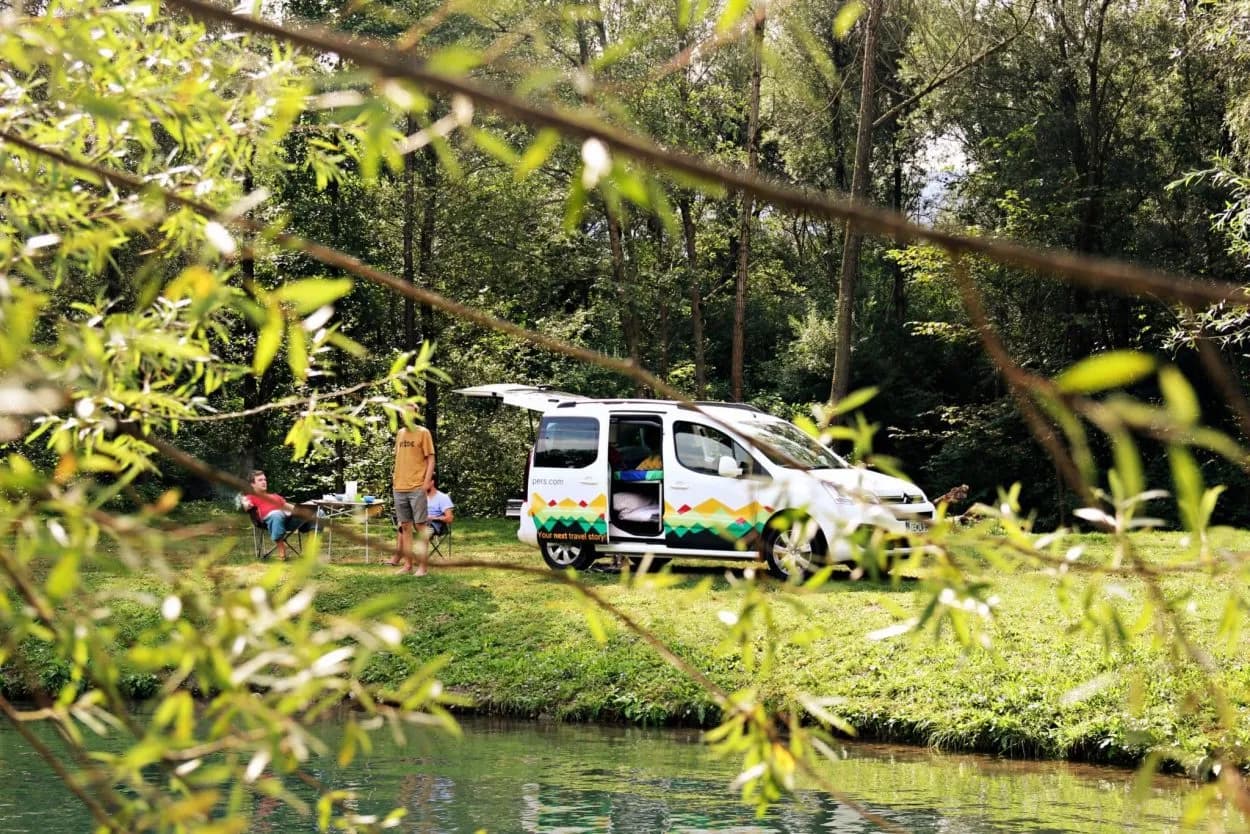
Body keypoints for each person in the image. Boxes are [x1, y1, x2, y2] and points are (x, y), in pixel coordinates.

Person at [392, 407, 435, 576]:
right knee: (405, 527)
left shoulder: (423, 433)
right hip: (399, 487)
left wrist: (426, 483)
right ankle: (408, 565)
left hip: (417, 486)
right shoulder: (400, 434)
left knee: (420, 526)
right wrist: (394, 480)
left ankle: (423, 567)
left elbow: (431, 459)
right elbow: (399, 459)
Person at [240, 469, 318, 561]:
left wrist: (305, 507)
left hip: (288, 520)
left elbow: (291, 508)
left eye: (265, 480)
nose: (264, 482)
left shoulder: (275, 496)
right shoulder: (250, 497)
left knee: (317, 513)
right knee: (276, 514)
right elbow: (245, 504)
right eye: (260, 480)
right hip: (269, 520)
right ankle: (282, 549)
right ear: (252, 484)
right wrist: (247, 504)